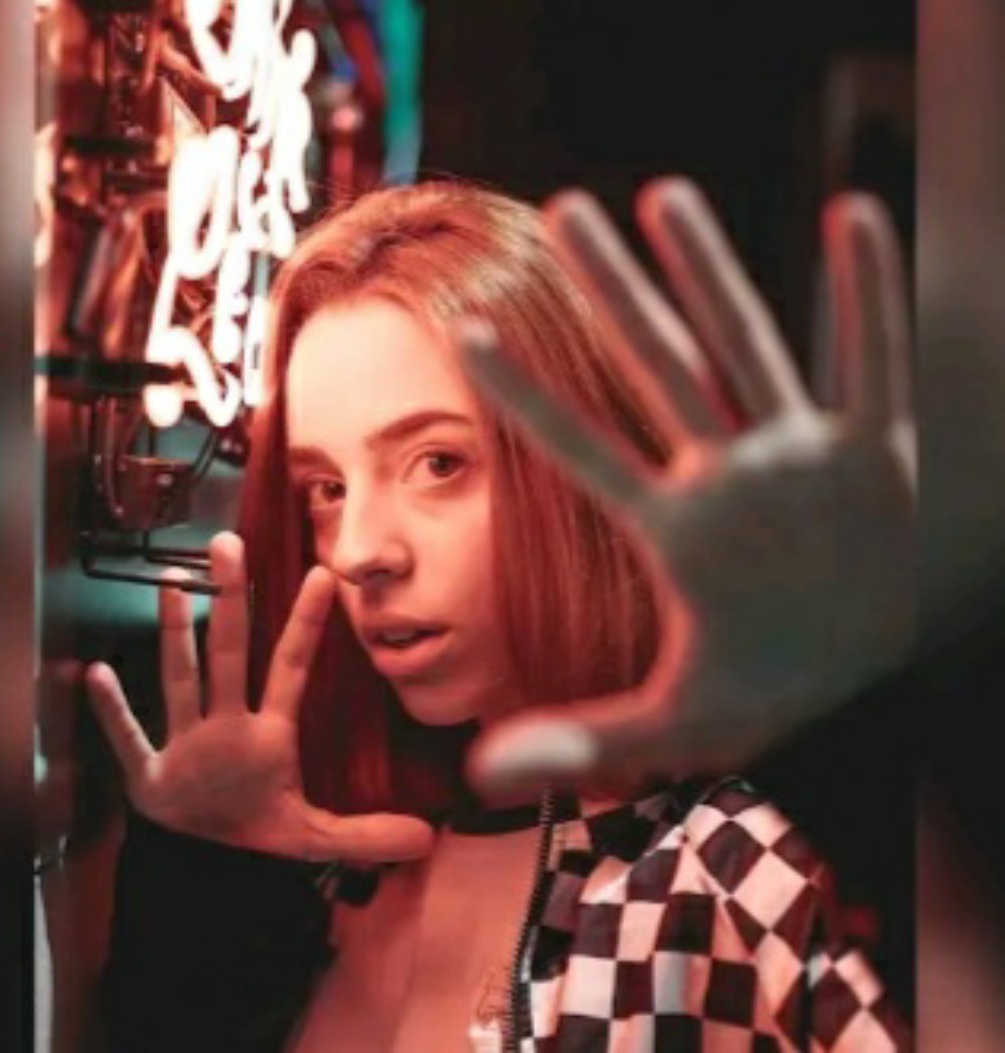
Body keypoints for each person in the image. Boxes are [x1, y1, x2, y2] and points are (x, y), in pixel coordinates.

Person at [88, 181, 909, 1051]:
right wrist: (209, 873)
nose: (359, 548)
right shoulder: (342, 871)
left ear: (584, 460)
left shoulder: (733, 876)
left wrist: (869, 741)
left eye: (438, 462)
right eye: (326, 487)